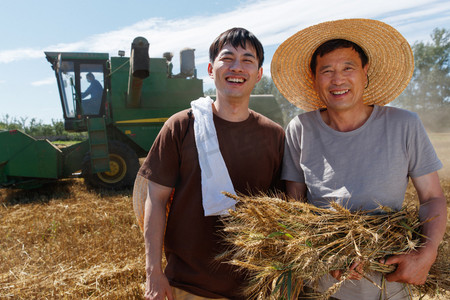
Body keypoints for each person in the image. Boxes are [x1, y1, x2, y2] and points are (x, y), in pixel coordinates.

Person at [271, 19, 447, 300]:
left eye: (347, 68)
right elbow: (296, 207)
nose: (337, 79)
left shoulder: (404, 125)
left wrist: (426, 254)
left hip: (388, 288)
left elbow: (432, 197)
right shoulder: (300, 129)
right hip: (321, 289)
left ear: (365, 72)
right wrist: (321, 255)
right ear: (314, 79)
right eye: (326, 71)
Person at [137, 27, 285, 300]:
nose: (236, 67)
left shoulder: (274, 135)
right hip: (186, 287)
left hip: (254, 288)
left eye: (247, 60)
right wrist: (153, 273)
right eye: (227, 58)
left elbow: (284, 209)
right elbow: (155, 201)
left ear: (259, 74)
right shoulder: (181, 126)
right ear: (210, 68)